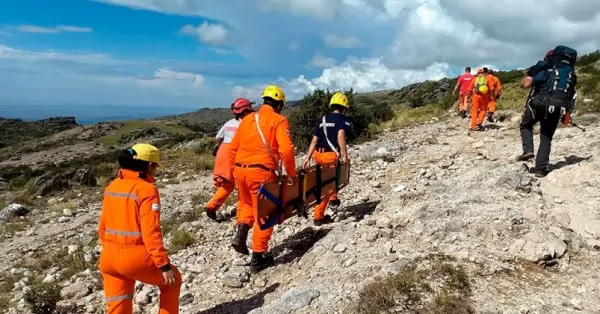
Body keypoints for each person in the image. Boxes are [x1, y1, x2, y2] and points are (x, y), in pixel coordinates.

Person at [98, 143, 182, 314]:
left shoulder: (112, 186)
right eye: (155, 166)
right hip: (134, 259)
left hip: (108, 258)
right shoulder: (146, 190)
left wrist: (108, 249)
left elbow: (103, 226)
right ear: (149, 165)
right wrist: (164, 266)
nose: (156, 171)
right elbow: (151, 232)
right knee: (173, 281)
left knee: (118, 304)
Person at [228, 84, 296, 273]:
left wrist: (235, 172)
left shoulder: (248, 119)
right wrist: (290, 174)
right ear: (280, 104)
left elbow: (232, 149)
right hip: (261, 173)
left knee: (248, 204)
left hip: (240, 170)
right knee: (267, 214)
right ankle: (258, 258)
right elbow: (287, 150)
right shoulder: (279, 121)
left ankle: (241, 232)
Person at [516, 45, 578, 177]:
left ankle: (528, 150)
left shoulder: (546, 67)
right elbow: (571, 95)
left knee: (525, 125)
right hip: (558, 107)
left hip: (538, 103)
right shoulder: (570, 74)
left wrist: (528, 77)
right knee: (546, 136)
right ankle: (541, 168)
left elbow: (526, 84)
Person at [302, 91, 351, 226]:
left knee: (328, 178)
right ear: (344, 107)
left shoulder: (322, 119)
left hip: (319, 154)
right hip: (331, 155)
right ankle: (318, 216)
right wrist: (344, 154)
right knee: (327, 186)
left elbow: (314, 141)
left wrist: (308, 157)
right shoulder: (343, 120)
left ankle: (334, 198)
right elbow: (340, 136)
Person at [205, 98, 255, 222]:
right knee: (241, 185)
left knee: (227, 183)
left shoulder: (229, 123)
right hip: (234, 153)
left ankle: (212, 207)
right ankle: (241, 215)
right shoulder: (247, 124)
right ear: (246, 110)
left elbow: (218, 137)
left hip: (223, 151)